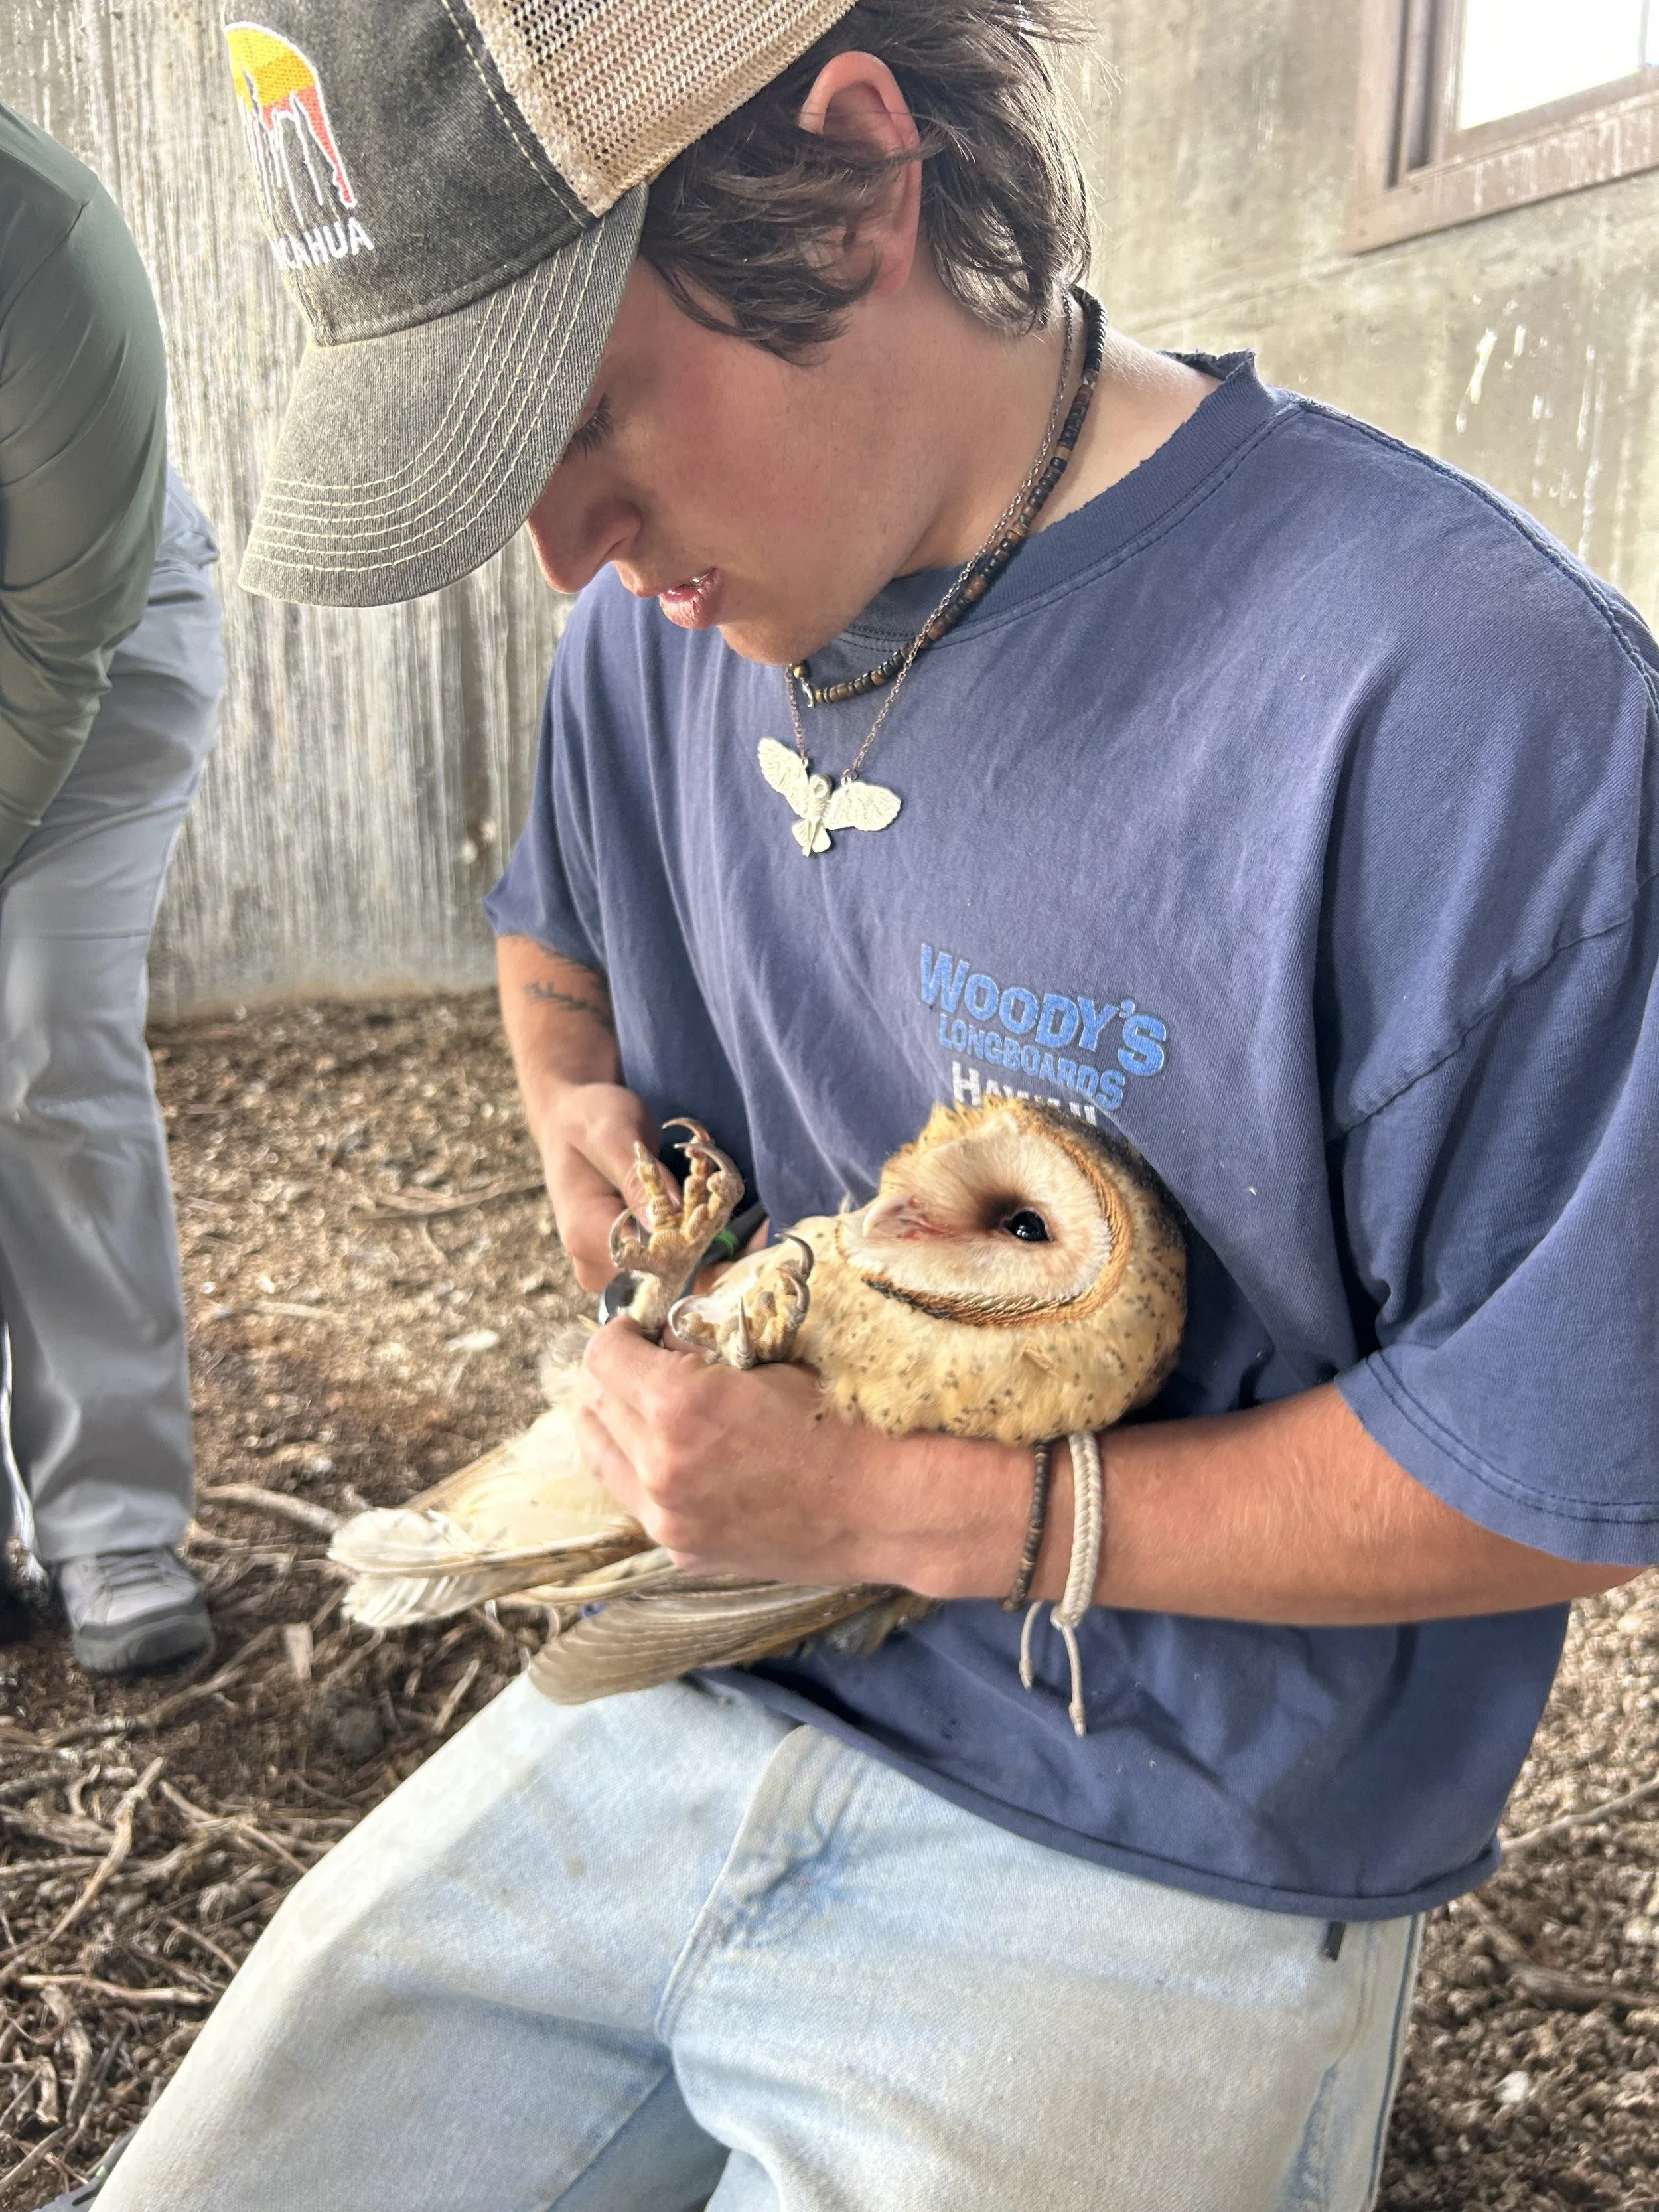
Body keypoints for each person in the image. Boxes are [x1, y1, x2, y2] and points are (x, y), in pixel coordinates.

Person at [87, 0, 1656, 2205]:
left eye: (581, 412)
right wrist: (566, 1098)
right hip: (691, 1682)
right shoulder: (664, 624)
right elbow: (562, 925)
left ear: (852, 166)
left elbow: (1568, 1466)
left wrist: (902, 1519)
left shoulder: (1465, 708)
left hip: (1168, 1825)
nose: (562, 548)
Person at [0, 105, 222, 1676]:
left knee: (39, 1034)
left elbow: (52, 649)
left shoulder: (36, 240)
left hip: (86, 638)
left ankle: (112, 1518)